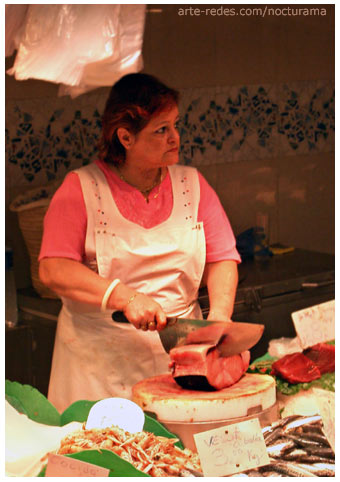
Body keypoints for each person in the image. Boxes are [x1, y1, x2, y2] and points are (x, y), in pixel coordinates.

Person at [39, 73, 241, 413]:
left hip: (181, 363)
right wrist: (125, 297)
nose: (175, 138)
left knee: (175, 461)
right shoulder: (80, 188)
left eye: (176, 125)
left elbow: (222, 257)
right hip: (97, 371)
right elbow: (53, 269)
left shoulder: (193, 183)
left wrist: (218, 320)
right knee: (103, 458)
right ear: (125, 137)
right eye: (161, 130)